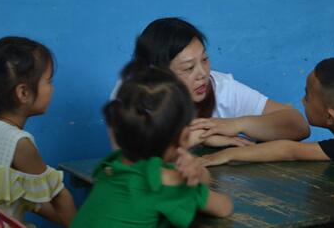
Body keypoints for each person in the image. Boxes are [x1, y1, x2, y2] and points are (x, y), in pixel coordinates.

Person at [72, 67, 233, 228]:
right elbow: (224, 207)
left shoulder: (111, 165)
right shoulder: (169, 183)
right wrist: (197, 172)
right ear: (184, 137)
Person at [112, 17, 309, 148]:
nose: (203, 74)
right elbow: (132, 155)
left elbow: (298, 125)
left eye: (205, 60)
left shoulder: (220, 87)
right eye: (188, 68)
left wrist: (236, 124)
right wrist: (203, 137)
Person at [200, 57, 334, 166]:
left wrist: (226, 155)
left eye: (307, 96)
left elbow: (289, 150)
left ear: (330, 117)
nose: (302, 101)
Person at [0, 36, 76, 227]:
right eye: (49, 81)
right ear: (23, 93)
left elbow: (25, 195)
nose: (52, 89)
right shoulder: (19, 143)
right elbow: (60, 198)